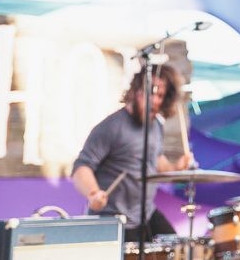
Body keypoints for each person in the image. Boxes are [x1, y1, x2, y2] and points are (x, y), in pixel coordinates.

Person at [72, 65, 195, 242]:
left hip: (145, 213)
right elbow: (81, 167)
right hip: (115, 218)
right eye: (150, 92)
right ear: (135, 90)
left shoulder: (155, 125)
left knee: (176, 248)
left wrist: (176, 167)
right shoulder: (112, 126)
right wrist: (93, 193)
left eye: (160, 96)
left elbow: (156, 161)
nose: (154, 100)